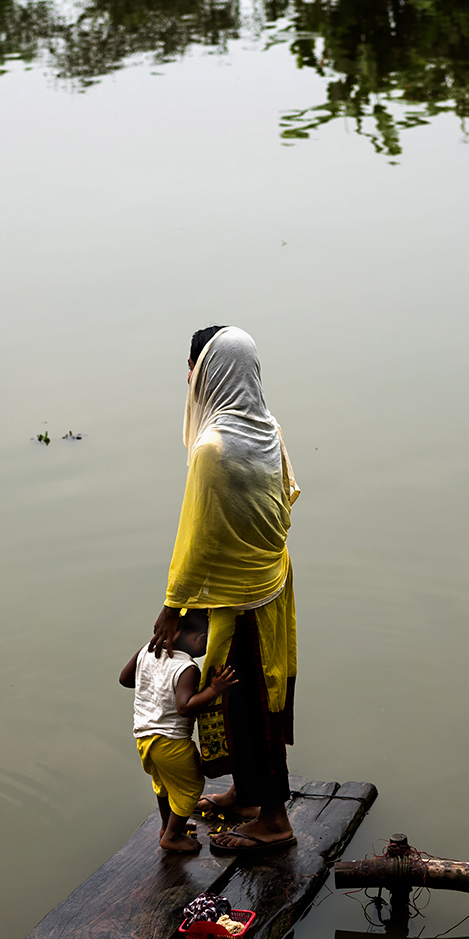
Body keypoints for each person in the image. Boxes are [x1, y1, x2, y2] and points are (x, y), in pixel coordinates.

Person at [147, 325, 299, 858]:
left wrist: (173, 606)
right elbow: (287, 499)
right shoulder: (270, 430)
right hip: (273, 588)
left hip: (238, 602)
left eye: (192, 369)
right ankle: (248, 796)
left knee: (247, 705)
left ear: (206, 372)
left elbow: (197, 534)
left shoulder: (213, 447)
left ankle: (274, 820)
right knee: (249, 702)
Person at [120, 608, 238, 853]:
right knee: (191, 786)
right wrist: (214, 689)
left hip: (144, 737)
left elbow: (125, 679)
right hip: (171, 741)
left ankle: (167, 826)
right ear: (198, 639)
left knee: (163, 785)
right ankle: (172, 835)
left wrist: (148, 662)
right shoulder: (187, 668)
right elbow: (184, 707)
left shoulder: (147, 651)